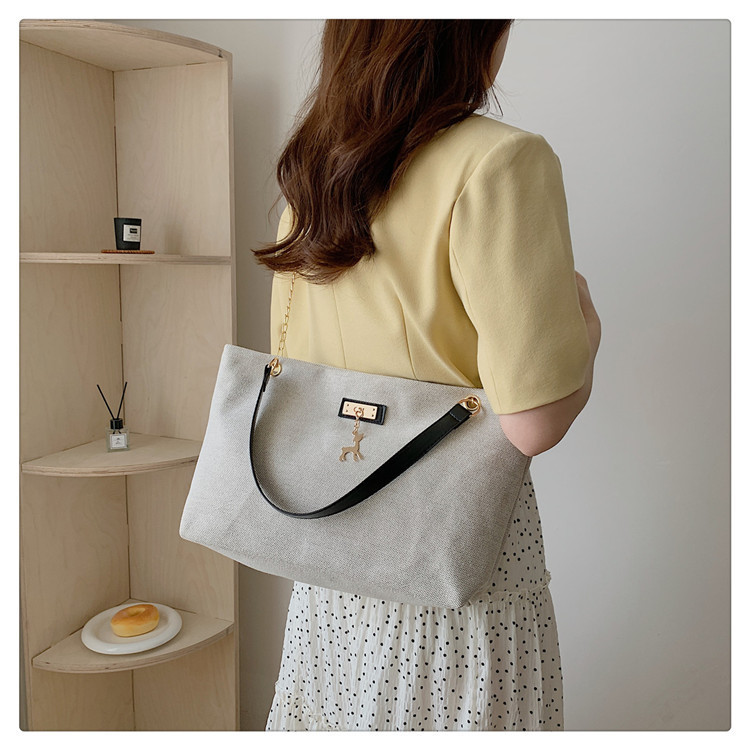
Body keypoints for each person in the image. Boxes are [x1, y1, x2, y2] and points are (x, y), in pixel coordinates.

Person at [254, 19, 602, 731]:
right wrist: (586, 333)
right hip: (450, 584)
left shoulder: (313, 183)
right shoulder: (501, 162)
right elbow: (534, 423)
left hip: (330, 570)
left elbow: (303, 375)